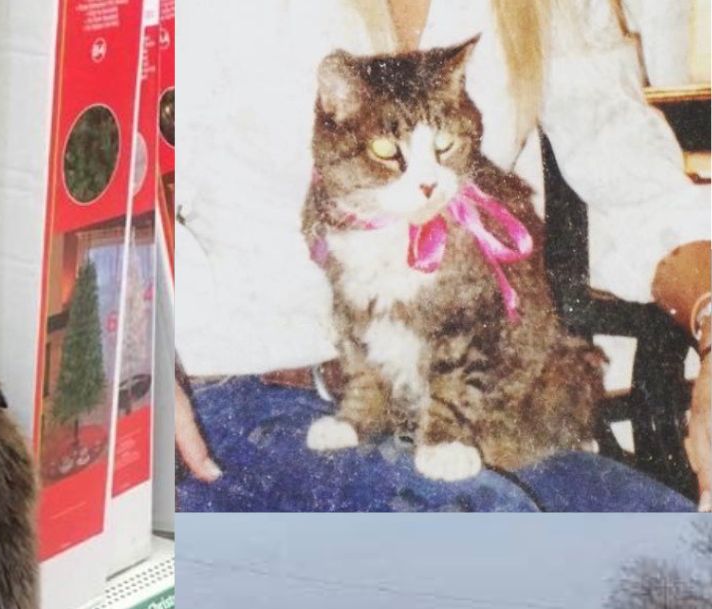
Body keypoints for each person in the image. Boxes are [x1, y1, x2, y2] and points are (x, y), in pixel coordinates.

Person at [174, 0, 710, 512]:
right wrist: (134, 376)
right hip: (245, 396)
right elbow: (126, 189)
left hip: (468, 406)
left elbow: (639, 184)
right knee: (492, 534)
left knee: (681, 560)